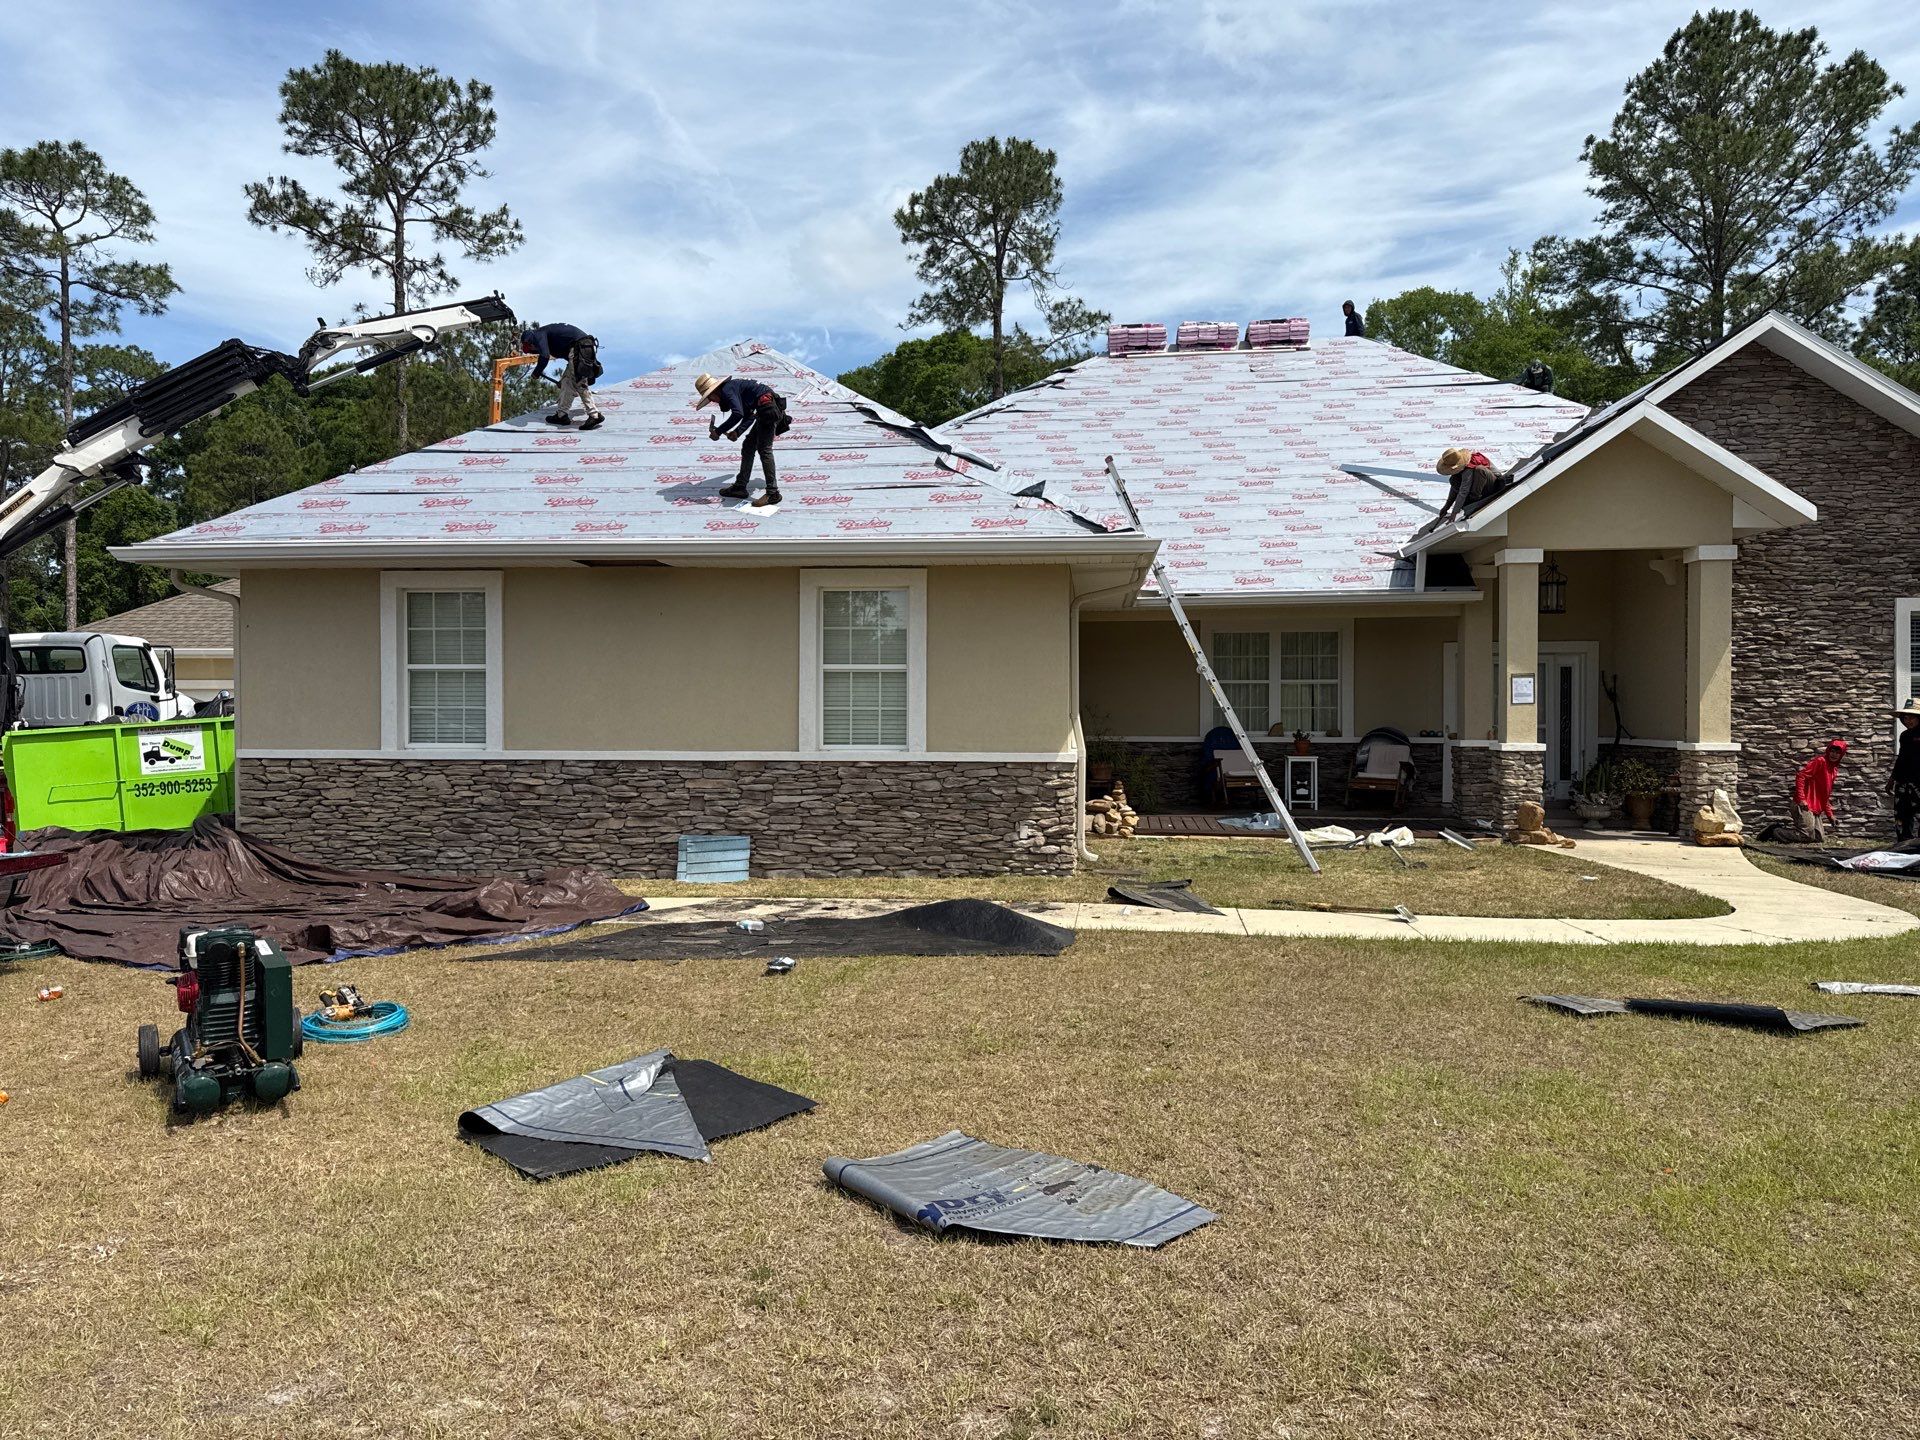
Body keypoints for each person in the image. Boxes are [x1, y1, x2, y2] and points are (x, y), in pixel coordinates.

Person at [693, 370, 790, 506]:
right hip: (765, 409)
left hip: (768, 410)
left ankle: (773, 493)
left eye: (711, 398)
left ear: (715, 391)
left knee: (764, 450)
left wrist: (719, 431)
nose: (712, 401)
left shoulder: (727, 390)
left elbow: (738, 414)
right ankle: (740, 487)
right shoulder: (734, 388)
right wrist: (737, 432)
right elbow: (749, 414)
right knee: (748, 446)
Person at [520, 323, 604, 430]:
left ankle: (594, 415)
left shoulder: (537, 335)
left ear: (529, 340)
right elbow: (572, 362)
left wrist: (536, 372)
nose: (535, 348)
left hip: (579, 347)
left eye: (532, 346)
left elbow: (544, 356)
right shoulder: (554, 342)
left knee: (579, 383)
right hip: (584, 346)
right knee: (567, 382)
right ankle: (562, 415)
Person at [1780, 739, 1848, 843]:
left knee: (1819, 838)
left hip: (1815, 808)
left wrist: (1830, 816)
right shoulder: (1821, 761)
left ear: (1841, 755)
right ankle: (1775, 832)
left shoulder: (1833, 770)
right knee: (1806, 836)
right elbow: (1801, 776)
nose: (1834, 755)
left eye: (1838, 753)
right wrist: (1802, 799)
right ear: (1828, 751)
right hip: (1804, 805)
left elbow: (1824, 796)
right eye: (1832, 751)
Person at [1888, 700, 1920, 840]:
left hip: (1919, 783)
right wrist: (1892, 779)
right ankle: (1903, 846)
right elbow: (1901, 759)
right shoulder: (1905, 736)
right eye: (1905, 717)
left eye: (1912, 717)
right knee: (1901, 816)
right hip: (1903, 782)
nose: (1908, 720)